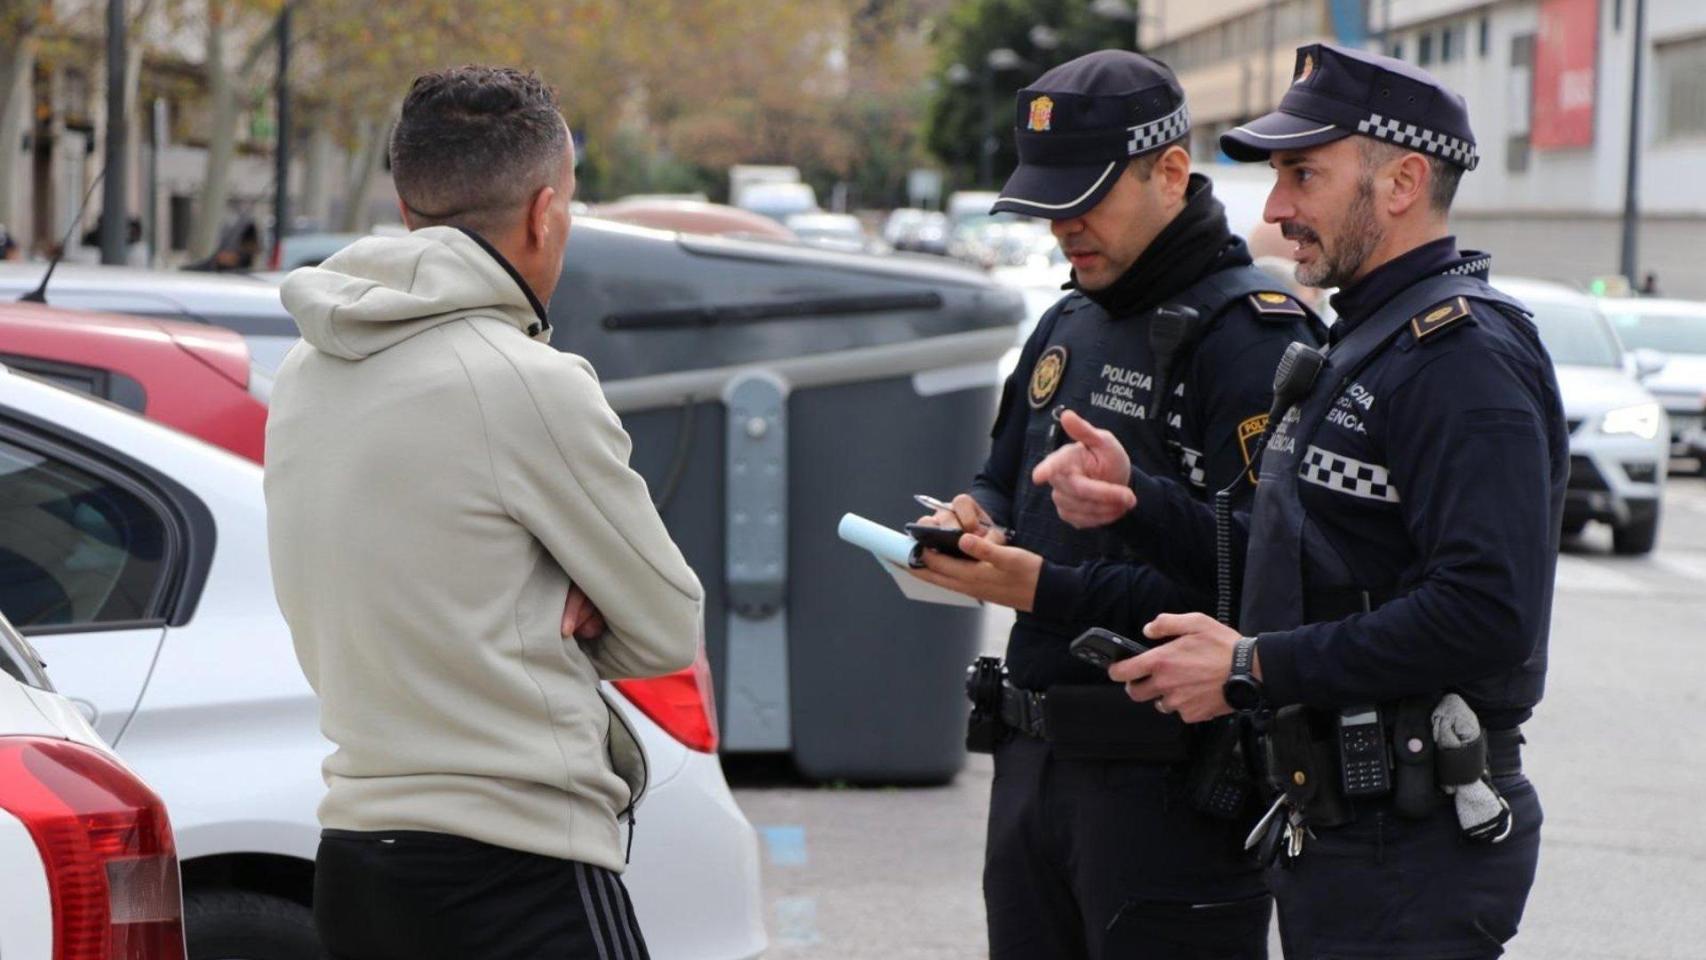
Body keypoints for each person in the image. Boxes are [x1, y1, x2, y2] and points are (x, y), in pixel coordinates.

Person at [1032, 43, 1566, 959]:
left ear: (1401, 183)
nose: (1276, 210)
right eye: (1278, 177)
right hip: (1346, 825)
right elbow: (1293, 560)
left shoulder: (1461, 360)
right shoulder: (1372, 340)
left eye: (1303, 175)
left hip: (1414, 840)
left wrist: (1251, 667)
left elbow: (1486, 613)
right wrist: (1139, 504)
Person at [264, 66, 703, 960]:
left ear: (404, 205)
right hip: (517, 871)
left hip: (355, 865)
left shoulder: (303, 375)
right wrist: (561, 613)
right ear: (545, 212)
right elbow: (668, 625)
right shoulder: (527, 383)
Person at [910, 50, 1322, 960]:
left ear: (1170, 171)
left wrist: (1045, 590)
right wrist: (974, 519)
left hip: (1168, 790)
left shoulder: (1251, 334)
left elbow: (1262, 581)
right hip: (1032, 766)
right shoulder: (1069, 319)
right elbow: (1002, 475)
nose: (1063, 227)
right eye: (1048, 202)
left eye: (1085, 198)